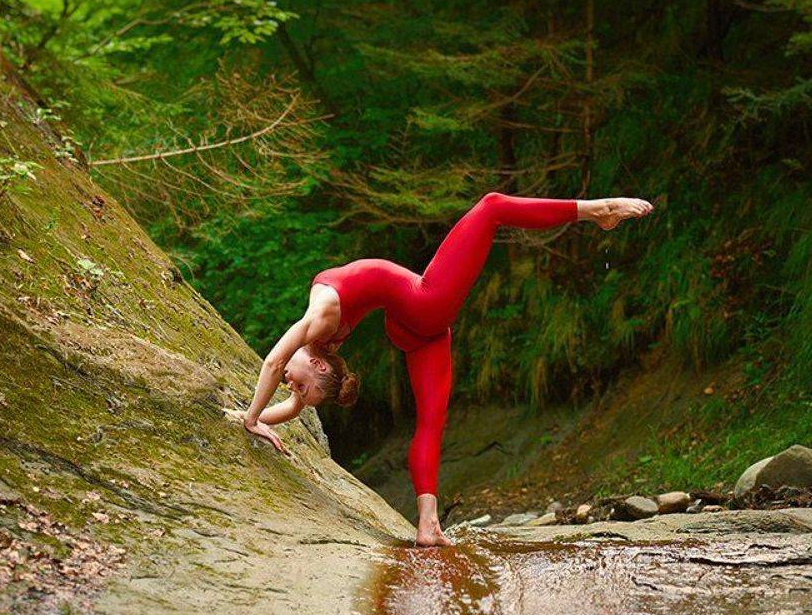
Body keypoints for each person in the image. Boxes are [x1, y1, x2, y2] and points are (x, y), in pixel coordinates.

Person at [226, 193, 653, 546]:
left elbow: (277, 366)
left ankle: (428, 522)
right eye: (299, 386)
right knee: (490, 208)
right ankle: (596, 210)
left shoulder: (320, 323)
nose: (289, 384)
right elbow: (282, 375)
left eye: (295, 386)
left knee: (432, 421)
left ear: (318, 361)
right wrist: (251, 419)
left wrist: (247, 417)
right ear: (320, 363)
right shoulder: (319, 333)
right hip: (421, 311)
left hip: (417, 320)